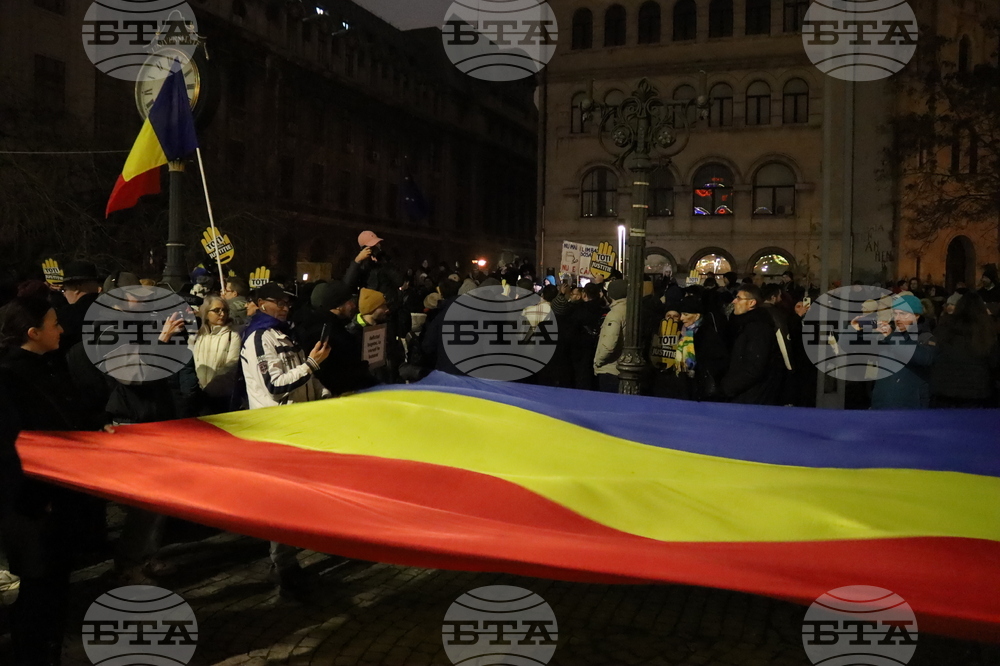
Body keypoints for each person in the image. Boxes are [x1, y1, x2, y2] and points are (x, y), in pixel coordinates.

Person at [0, 297, 112, 666]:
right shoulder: (9, 379)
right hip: (33, 507)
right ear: (33, 334)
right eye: (53, 324)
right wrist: (34, 496)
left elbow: (65, 419)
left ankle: (47, 650)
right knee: (38, 590)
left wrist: (96, 429)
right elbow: (12, 447)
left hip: (57, 501)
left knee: (55, 586)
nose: (62, 329)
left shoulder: (48, 367)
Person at [241, 282, 330, 599]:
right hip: (275, 434)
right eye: (279, 302)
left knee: (295, 502)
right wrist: (312, 364)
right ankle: (283, 568)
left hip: (296, 429)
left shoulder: (284, 333)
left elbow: (307, 379)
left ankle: (286, 563)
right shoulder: (259, 337)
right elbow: (274, 385)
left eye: (288, 301)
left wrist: (329, 397)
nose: (286, 306)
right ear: (261, 303)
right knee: (282, 504)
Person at [298, 281, 375, 396]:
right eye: (349, 302)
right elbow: (331, 371)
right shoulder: (325, 332)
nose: (354, 306)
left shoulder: (335, 326)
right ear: (338, 305)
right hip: (336, 397)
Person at [930, 292, 999, 408]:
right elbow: (995, 363)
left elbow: (936, 355)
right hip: (977, 393)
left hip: (945, 391)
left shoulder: (945, 329)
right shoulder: (986, 334)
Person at [720, 284, 785, 405]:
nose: (734, 301)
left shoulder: (758, 328)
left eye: (739, 298)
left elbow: (754, 367)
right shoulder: (744, 324)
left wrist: (727, 387)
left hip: (752, 396)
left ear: (751, 303)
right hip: (745, 392)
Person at [870, 294, 936, 410]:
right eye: (895, 313)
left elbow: (923, 358)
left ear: (916, 316)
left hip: (910, 406)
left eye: (903, 314)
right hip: (882, 403)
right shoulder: (887, 335)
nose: (898, 318)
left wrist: (890, 336)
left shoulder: (925, 337)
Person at [190, 296, 241, 414]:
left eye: (225, 310)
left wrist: (210, 390)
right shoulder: (198, 335)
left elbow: (231, 366)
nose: (222, 314)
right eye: (217, 310)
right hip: (197, 395)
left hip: (221, 397)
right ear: (206, 313)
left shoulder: (232, 335)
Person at [673, 296, 728, 401]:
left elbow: (719, 360)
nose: (681, 318)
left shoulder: (707, 334)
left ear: (697, 316)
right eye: (681, 314)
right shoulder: (685, 332)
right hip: (686, 386)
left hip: (700, 389)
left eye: (686, 314)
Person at [594, 280, 628, 393]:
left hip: (610, 369)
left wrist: (598, 361)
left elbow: (609, 344)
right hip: (622, 367)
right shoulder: (628, 309)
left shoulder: (615, 314)